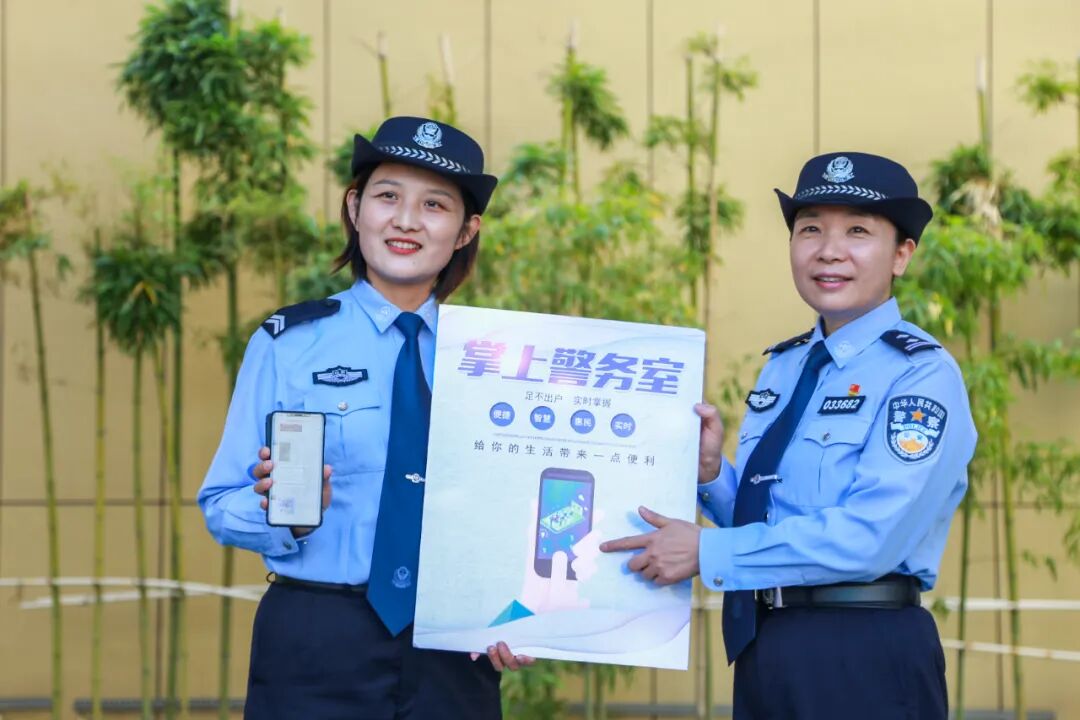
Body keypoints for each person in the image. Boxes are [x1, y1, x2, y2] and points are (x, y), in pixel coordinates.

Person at [600, 152, 977, 719]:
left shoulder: (921, 375)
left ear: (902, 254)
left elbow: (869, 538)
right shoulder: (785, 365)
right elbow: (773, 519)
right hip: (769, 643)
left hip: (864, 651)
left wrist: (706, 550)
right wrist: (712, 475)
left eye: (857, 231)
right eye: (811, 230)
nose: (829, 250)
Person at [198, 116, 530, 720]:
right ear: (355, 209)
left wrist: (521, 611)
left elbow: (518, 509)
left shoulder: (501, 361)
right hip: (315, 636)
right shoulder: (288, 343)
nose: (406, 220)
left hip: (454, 643)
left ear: (466, 231)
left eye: (434, 205)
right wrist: (284, 514)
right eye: (387, 197)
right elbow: (221, 504)